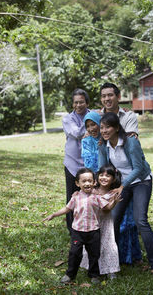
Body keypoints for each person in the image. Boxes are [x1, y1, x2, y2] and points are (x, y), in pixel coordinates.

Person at [98, 112, 153, 275]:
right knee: (112, 219)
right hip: (122, 185)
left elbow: (139, 168)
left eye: (108, 127)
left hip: (141, 181)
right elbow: (102, 168)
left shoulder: (130, 142)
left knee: (140, 220)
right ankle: (112, 260)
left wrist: (122, 186)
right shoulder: (103, 145)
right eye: (102, 127)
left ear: (117, 128)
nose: (104, 131)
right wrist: (97, 185)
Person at [81, 110, 142, 266]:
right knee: (107, 221)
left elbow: (135, 166)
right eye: (88, 126)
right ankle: (103, 258)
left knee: (129, 221)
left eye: (94, 124)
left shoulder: (120, 141)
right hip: (101, 182)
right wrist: (95, 183)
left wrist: (118, 184)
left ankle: (126, 256)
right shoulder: (93, 142)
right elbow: (98, 166)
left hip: (120, 182)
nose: (92, 128)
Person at [43, 168, 121, 284]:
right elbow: (67, 208)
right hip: (78, 232)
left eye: (90, 181)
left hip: (93, 231)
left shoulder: (97, 198)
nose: (87, 183)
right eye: (84, 181)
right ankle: (70, 275)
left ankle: (94, 275)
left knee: (94, 255)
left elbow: (106, 208)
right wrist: (54, 214)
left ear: (94, 183)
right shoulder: (75, 197)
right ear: (77, 184)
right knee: (74, 253)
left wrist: (114, 202)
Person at [81, 165, 121, 279]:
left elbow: (107, 208)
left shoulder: (113, 193)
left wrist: (114, 202)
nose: (104, 178)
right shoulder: (92, 190)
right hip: (92, 222)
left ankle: (111, 269)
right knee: (92, 245)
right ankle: (94, 269)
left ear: (113, 179)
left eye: (108, 176)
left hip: (106, 223)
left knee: (108, 245)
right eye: (101, 175)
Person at [62, 88, 90, 232]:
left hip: (90, 163)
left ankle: (89, 225)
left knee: (90, 196)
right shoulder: (67, 119)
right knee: (72, 196)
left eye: (81, 102)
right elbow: (76, 133)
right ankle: (72, 229)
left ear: (87, 102)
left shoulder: (93, 115)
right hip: (72, 163)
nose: (78, 105)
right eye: (75, 102)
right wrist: (91, 123)